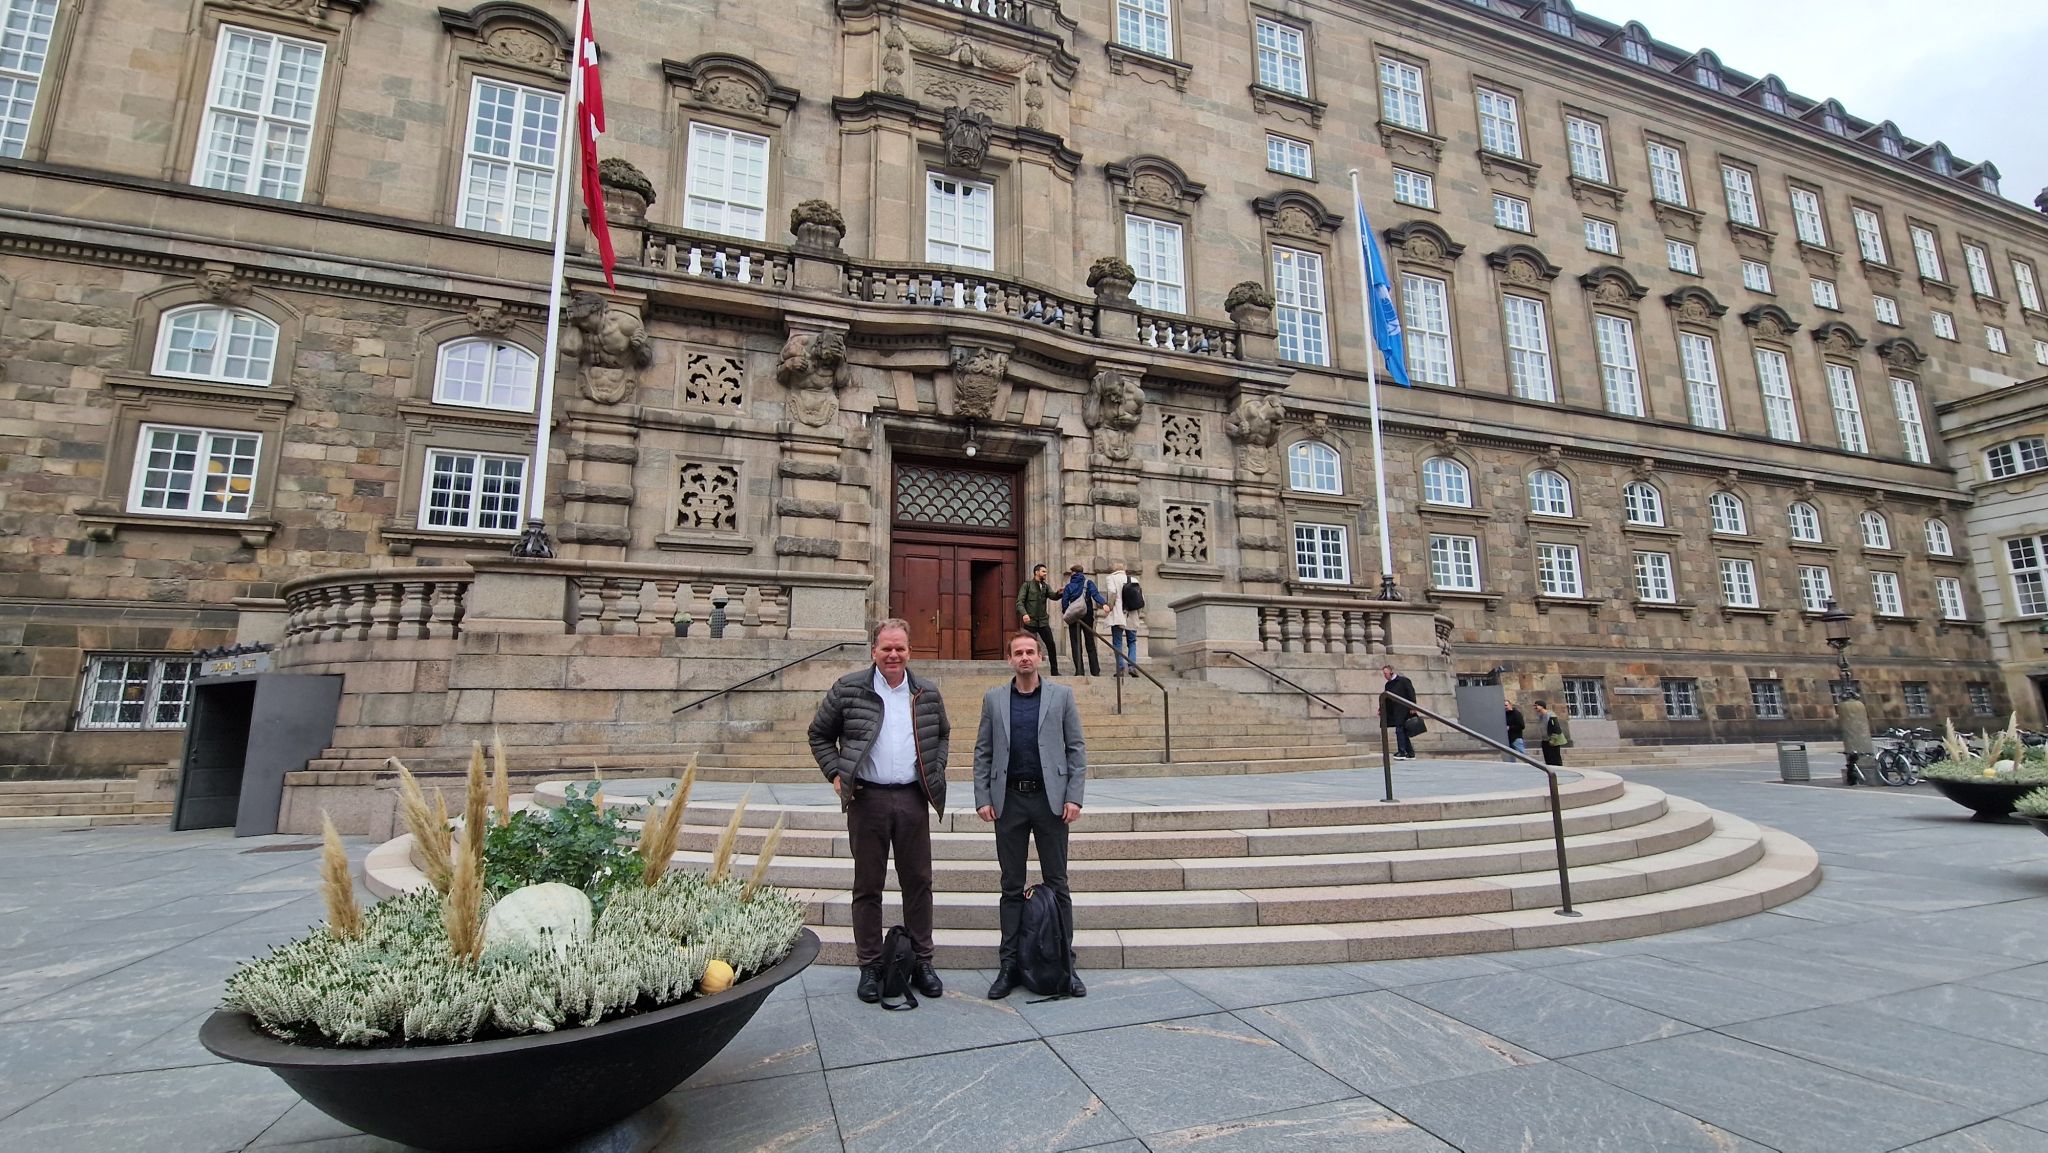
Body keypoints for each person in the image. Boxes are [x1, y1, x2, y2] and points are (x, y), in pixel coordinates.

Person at [807, 619, 949, 1003]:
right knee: (868, 886)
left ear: (910, 651)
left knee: (918, 883)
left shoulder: (926, 692)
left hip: (912, 799)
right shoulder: (849, 688)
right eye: (886, 648)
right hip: (867, 800)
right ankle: (870, 965)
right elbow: (819, 734)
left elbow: (942, 734)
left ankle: (922, 961)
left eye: (900, 648)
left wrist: (934, 771)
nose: (893, 655)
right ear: (874, 651)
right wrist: (836, 773)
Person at [974, 630, 1087, 1000]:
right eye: (1018, 653)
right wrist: (982, 797)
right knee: (1011, 886)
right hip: (1009, 801)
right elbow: (983, 751)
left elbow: (1076, 749)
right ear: (1009, 659)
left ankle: (1066, 965)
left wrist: (1074, 797)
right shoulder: (994, 699)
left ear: (1040, 657)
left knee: (1058, 883)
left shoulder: (1062, 696)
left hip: (1050, 802)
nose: (1024, 657)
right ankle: (1008, 965)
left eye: (1030, 652)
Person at [1058, 563, 1105, 677]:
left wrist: (1067, 613)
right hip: (1087, 615)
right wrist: (1104, 604)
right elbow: (1095, 595)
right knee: (1090, 643)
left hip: (1074, 617)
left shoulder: (1069, 586)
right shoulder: (1088, 583)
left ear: (1073, 573)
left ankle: (1079, 671)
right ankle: (1095, 671)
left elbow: (1064, 602)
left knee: (1075, 644)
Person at [1015, 563, 1061, 676]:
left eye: (1046, 572)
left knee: (1051, 644)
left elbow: (1053, 596)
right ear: (1036, 572)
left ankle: (1055, 672)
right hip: (1030, 622)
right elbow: (1019, 602)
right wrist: (1024, 614)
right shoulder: (1027, 585)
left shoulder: (1045, 586)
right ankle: (1028, 671)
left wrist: (1059, 593)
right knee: (1028, 647)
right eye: (1043, 571)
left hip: (1043, 622)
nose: (1045, 573)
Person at [1100, 561, 1141, 676]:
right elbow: (1140, 599)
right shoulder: (1134, 580)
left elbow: (1112, 592)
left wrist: (1110, 606)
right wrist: (1137, 614)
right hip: (1132, 614)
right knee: (1132, 642)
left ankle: (1121, 668)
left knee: (1117, 642)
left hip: (1118, 615)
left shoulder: (1111, 578)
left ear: (1113, 569)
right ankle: (1132, 667)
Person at [1380, 664, 1418, 760]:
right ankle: (1410, 753)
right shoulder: (1388, 685)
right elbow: (1387, 699)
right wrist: (1381, 709)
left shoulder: (1403, 681)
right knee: (1403, 731)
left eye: (1386, 673)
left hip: (1404, 709)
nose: (1385, 676)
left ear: (1391, 672)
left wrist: (1413, 706)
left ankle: (1402, 752)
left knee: (1399, 730)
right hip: (1395, 711)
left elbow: (1411, 693)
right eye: (1384, 674)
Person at [1534, 700, 1566, 766]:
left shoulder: (1551, 715)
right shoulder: (1541, 716)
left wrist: (1553, 740)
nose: (1535, 707)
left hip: (1553, 740)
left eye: (1536, 705)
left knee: (1555, 758)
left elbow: (1556, 728)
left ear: (1542, 706)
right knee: (1548, 758)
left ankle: (1558, 769)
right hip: (1545, 739)